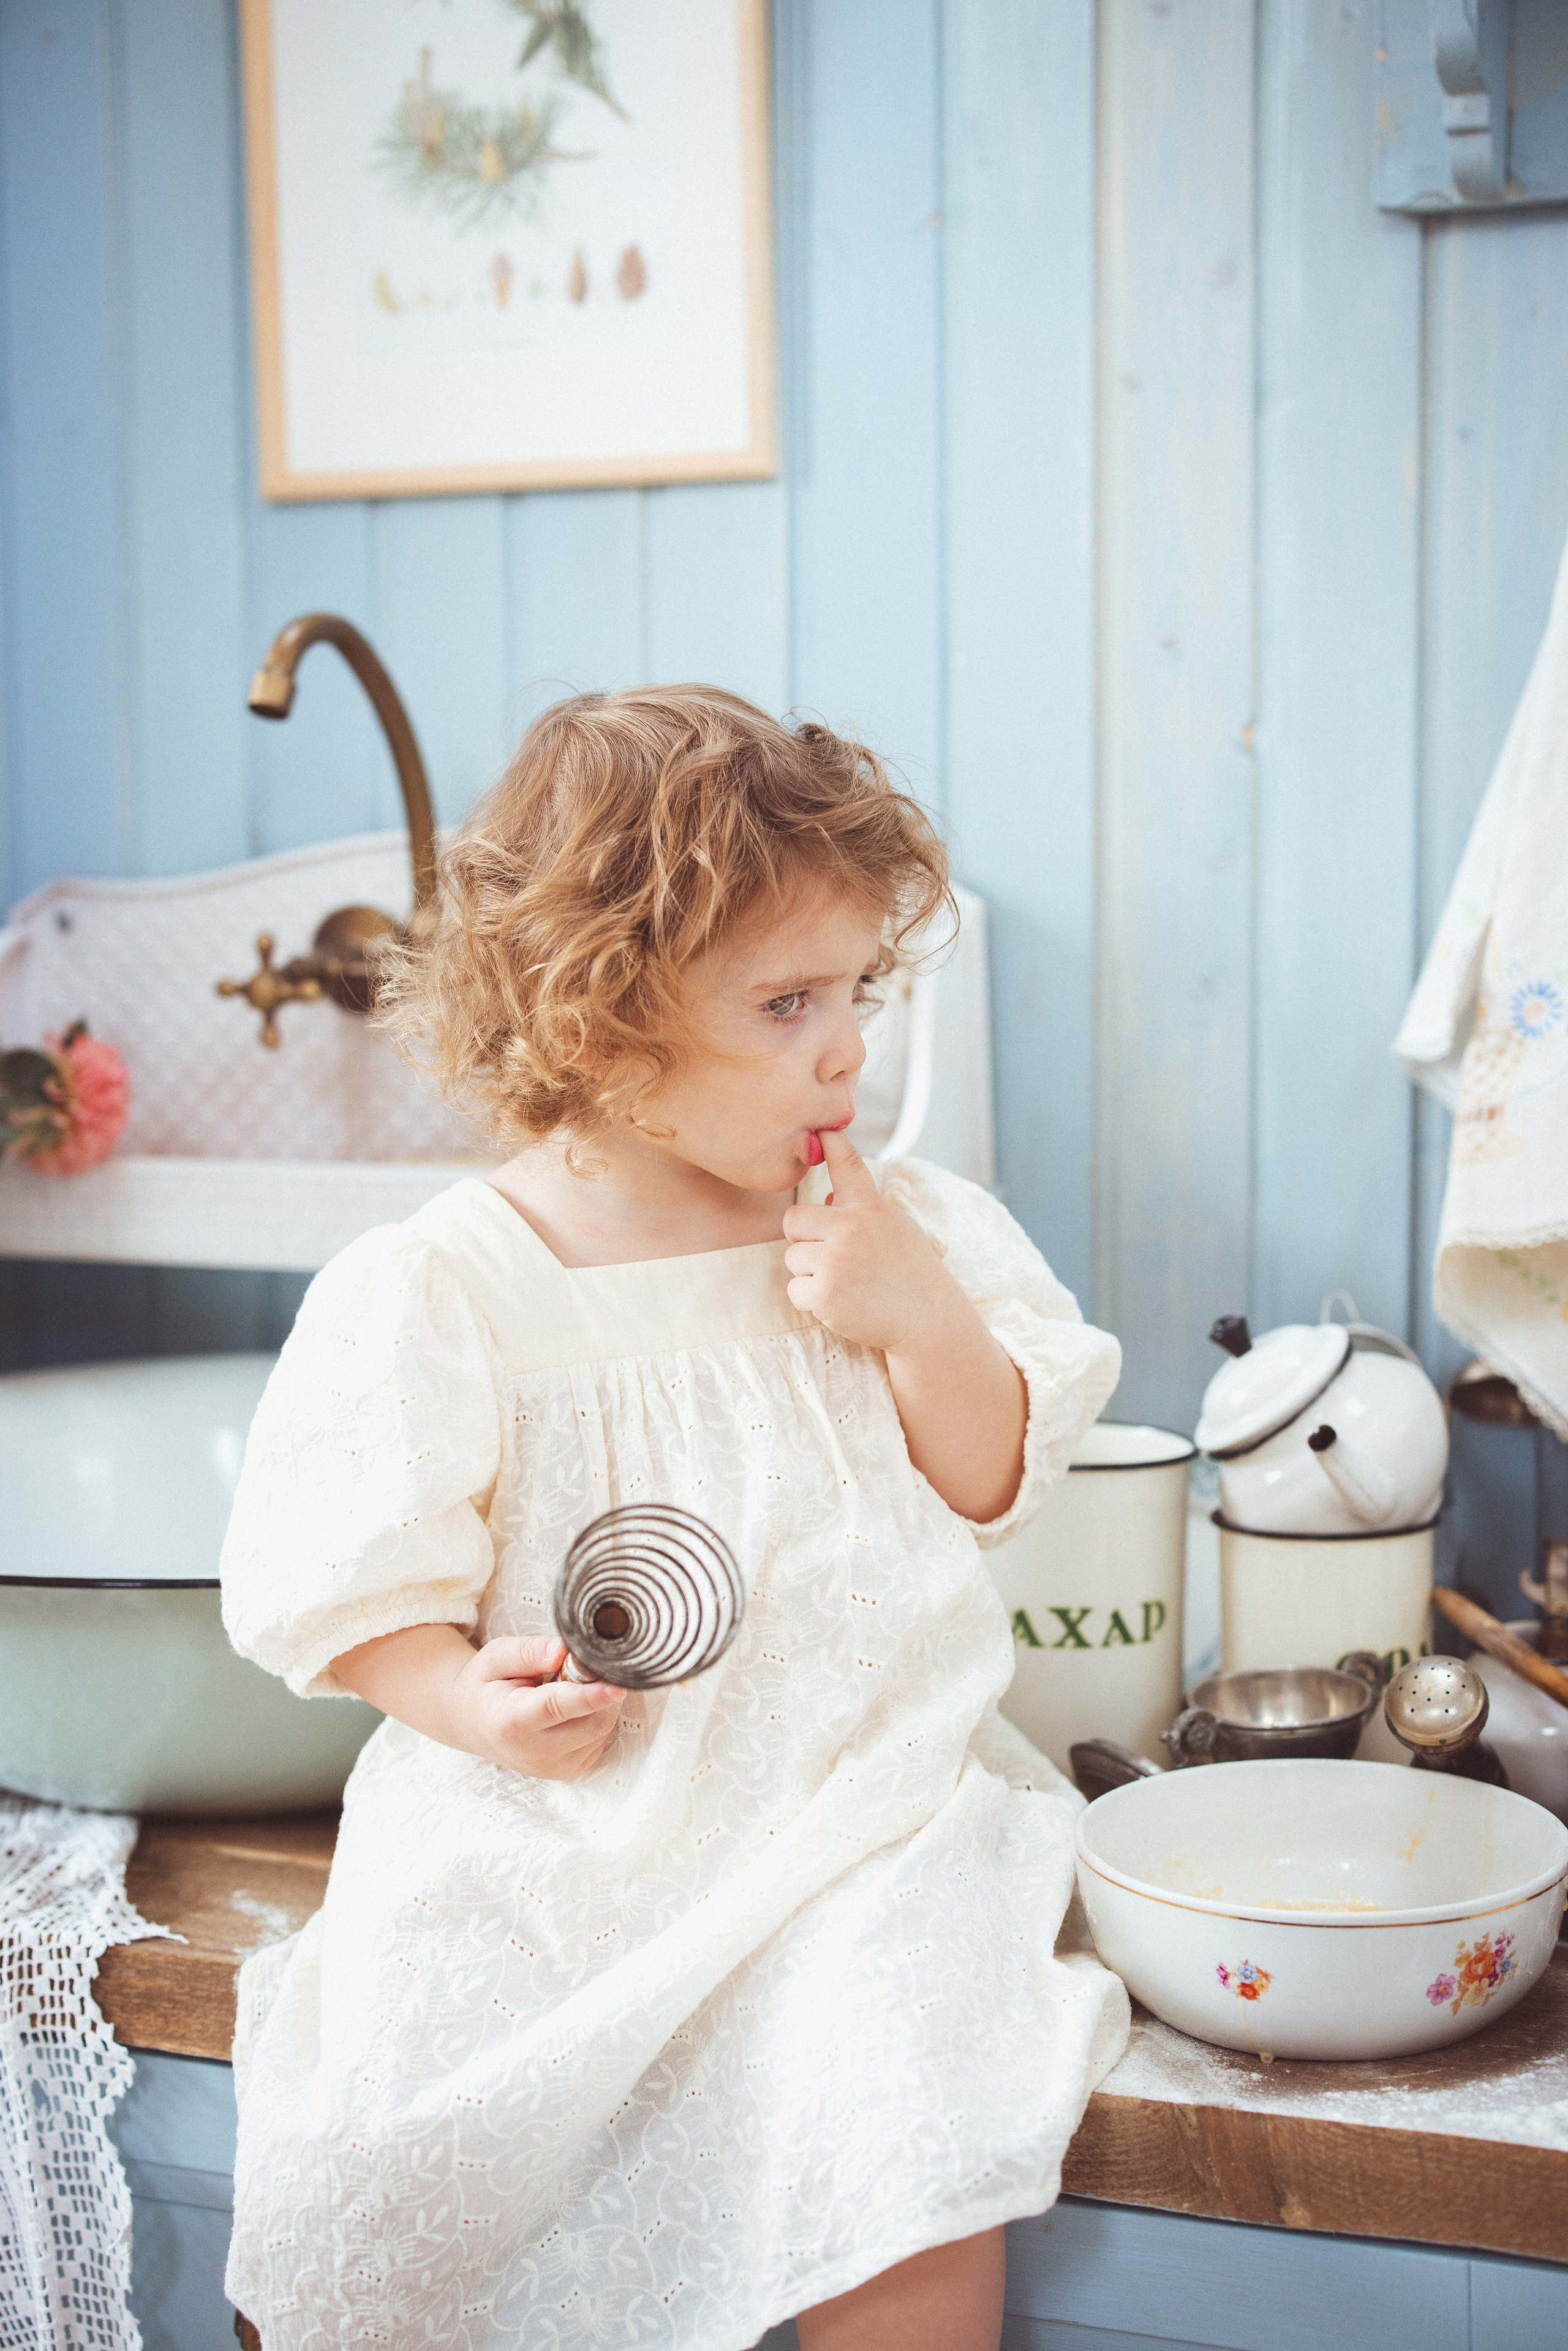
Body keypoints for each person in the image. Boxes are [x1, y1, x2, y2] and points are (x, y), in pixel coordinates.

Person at [219, 685, 1128, 2351]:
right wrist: (455, 1693)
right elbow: (353, 1586)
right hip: (564, 1824)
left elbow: (994, 1475)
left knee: (910, 2118)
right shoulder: (451, 1283)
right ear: (598, 1023)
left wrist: (915, 1311)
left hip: (864, 1806)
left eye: (859, 988)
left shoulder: (896, 1224)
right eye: (789, 1003)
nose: (851, 1044)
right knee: (374, 2135)